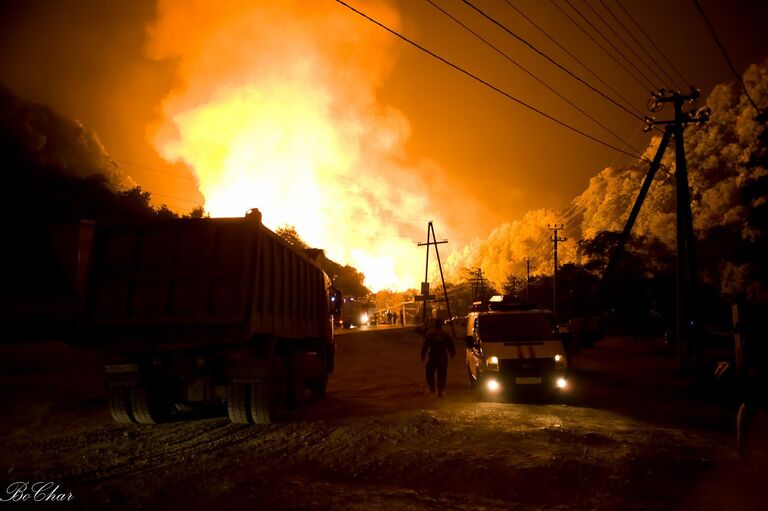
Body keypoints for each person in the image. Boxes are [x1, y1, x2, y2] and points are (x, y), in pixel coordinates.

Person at [420, 319, 456, 397]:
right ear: (441, 325)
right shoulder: (445, 334)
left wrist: (423, 354)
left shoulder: (431, 333)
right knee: (442, 373)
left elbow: (426, 345)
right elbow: (451, 345)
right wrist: (452, 353)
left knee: (430, 372)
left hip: (433, 355)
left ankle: (432, 388)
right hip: (442, 356)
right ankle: (440, 390)